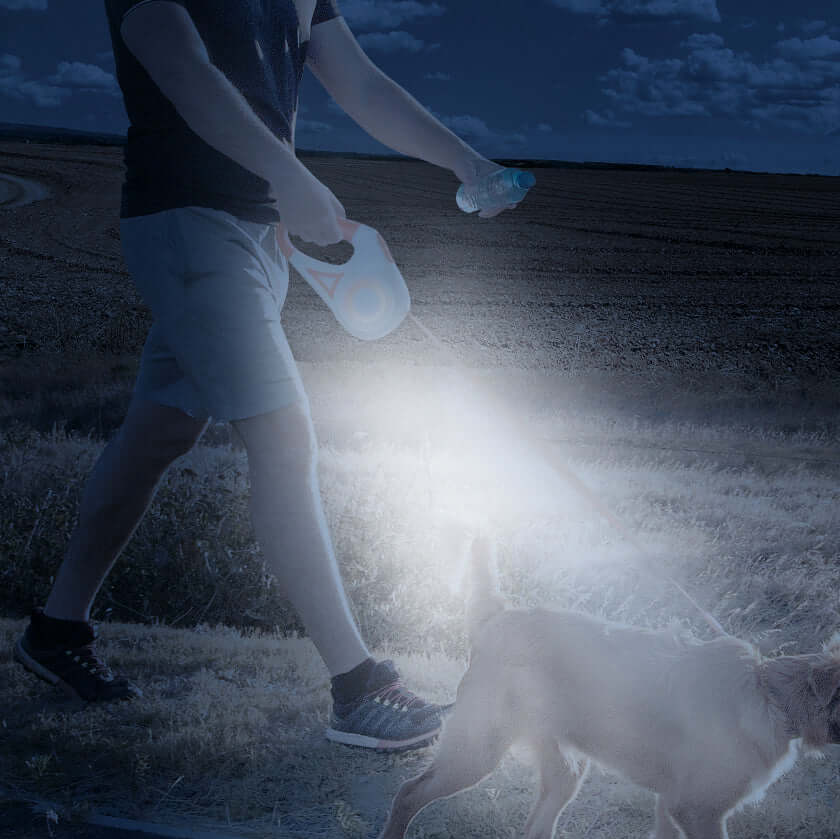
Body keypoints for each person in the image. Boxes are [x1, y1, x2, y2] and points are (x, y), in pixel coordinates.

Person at [14, 0, 517, 751]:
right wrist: (287, 170)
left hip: (259, 235)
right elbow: (180, 66)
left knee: (157, 433)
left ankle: (56, 631)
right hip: (188, 221)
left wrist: (466, 162)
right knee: (282, 437)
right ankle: (358, 687)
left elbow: (362, 84)